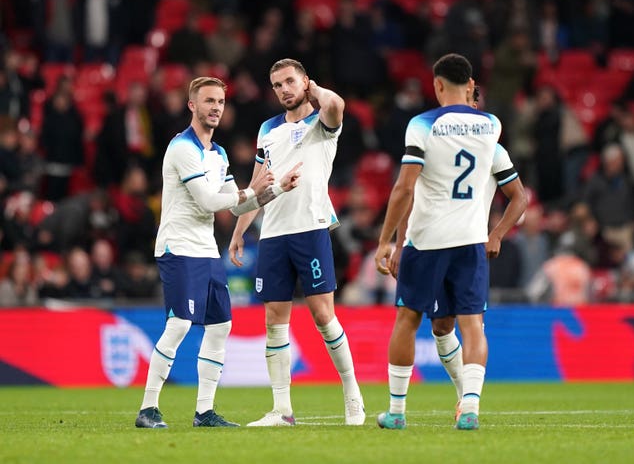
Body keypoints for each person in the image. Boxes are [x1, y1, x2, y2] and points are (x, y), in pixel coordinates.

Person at [135, 76, 302, 429]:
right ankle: (148, 409)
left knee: (220, 325)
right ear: (192, 105)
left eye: (220, 102)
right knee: (179, 324)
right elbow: (210, 202)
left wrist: (278, 190)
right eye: (208, 101)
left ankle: (204, 412)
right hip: (178, 247)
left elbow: (239, 208)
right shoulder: (182, 148)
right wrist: (249, 190)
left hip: (206, 251)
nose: (215, 108)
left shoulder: (219, 154)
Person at [373, 54, 527, 431]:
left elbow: (405, 187)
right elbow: (519, 196)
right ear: (472, 84)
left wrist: (388, 242)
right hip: (471, 241)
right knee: (470, 324)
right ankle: (469, 407)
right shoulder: (492, 127)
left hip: (426, 241)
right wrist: (495, 234)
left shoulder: (422, 125)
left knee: (407, 320)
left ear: (437, 85)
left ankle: (396, 412)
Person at [229, 58, 366, 426]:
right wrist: (240, 231)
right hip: (273, 233)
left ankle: (352, 394)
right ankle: (282, 409)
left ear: (305, 82)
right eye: (277, 85)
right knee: (274, 321)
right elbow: (257, 187)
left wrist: (316, 91)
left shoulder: (321, 123)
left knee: (324, 316)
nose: (284, 89)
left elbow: (337, 106)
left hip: (311, 226)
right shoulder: (268, 129)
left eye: (290, 81)